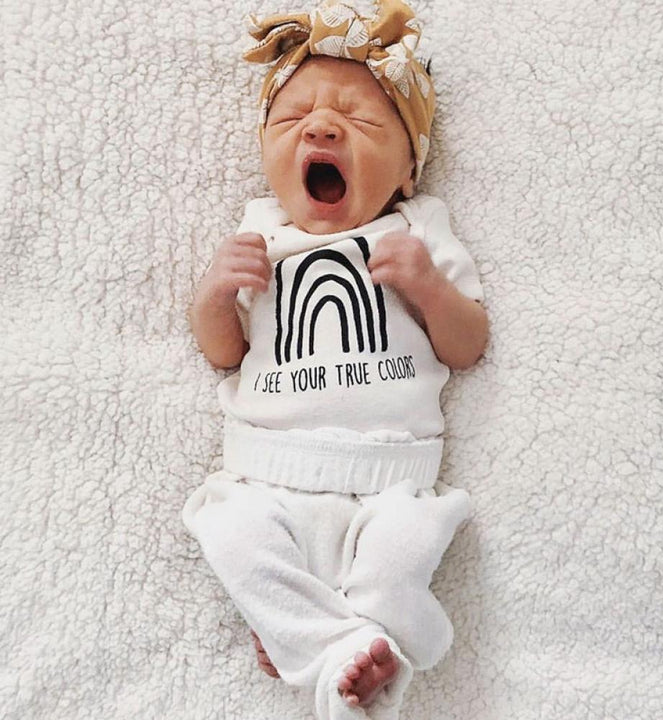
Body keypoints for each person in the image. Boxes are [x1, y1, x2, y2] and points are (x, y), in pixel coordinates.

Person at [182, 2, 489, 718]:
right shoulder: (260, 231)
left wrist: (427, 286)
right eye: (293, 119)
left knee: (401, 557)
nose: (320, 128)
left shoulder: (416, 228)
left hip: (392, 479)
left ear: (408, 170)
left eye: (360, 121)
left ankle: (310, 639)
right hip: (268, 472)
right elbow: (224, 354)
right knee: (227, 531)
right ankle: (343, 645)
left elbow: (469, 345)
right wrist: (213, 295)